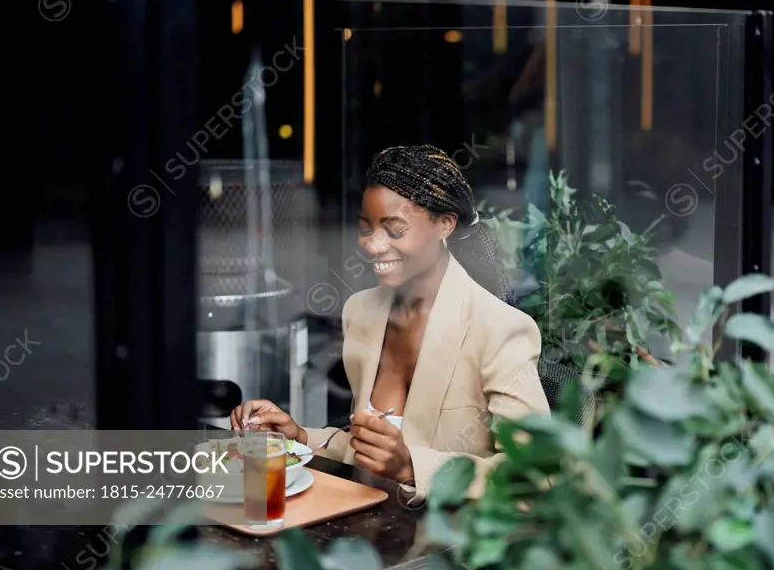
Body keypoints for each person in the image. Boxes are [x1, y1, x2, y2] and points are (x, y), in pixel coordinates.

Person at [230, 144, 550, 506]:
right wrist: (300, 437)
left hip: (450, 548)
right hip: (367, 527)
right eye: (365, 228)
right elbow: (366, 449)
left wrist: (411, 467)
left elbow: (534, 477)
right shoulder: (361, 313)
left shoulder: (501, 328)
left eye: (394, 230)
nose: (372, 245)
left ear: (444, 224)